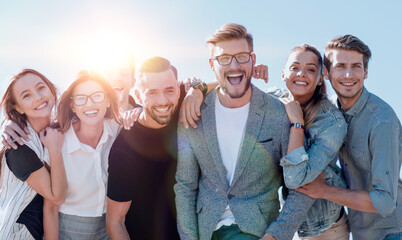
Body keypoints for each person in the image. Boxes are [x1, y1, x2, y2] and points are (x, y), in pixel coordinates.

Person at [174, 23, 313, 240]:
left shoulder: (278, 113)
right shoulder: (193, 112)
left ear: (253, 60)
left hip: (256, 232)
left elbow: (301, 189)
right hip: (205, 231)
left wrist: (276, 235)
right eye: (224, 58)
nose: (234, 65)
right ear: (212, 64)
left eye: (241, 56)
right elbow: (185, 186)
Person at [296, 35, 402, 240]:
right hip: (358, 232)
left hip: (392, 232)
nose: (348, 74)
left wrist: (324, 191)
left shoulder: (382, 120)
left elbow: (385, 202)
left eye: (356, 66)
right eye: (340, 66)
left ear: (366, 71)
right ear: (326, 72)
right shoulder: (329, 112)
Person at [106, 56, 194, 240]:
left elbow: (223, 82)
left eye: (169, 90)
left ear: (178, 90)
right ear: (138, 96)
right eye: (152, 93)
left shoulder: (182, 109)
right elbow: (116, 221)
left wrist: (198, 90)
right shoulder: (124, 149)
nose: (162, 101)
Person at [274, 44, 349, 239]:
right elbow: (236, 91)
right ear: (283, 74)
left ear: (319, 78)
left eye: (311, 69)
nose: (301, 74)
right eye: (294, 67)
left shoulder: (332, 122)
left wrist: (297, 124)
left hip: (328, 227)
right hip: (296, 225)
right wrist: (198, 88)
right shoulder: (275, 102)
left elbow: (296, 179)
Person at [44, 70, 121, 239]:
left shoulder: (119, 130)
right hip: (67, 228)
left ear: (108, 100)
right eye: (81, 98)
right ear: (72, 106)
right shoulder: (58, 141)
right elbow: (50, 208)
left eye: (97, 96)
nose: (90, 104)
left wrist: (193, 90)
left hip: (111, 226)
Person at [0, 69, 66, 239]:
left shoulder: (52, 132)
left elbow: (51, 206)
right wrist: (55, 149)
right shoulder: (17, 146)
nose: (38, 96)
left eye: (41, 88)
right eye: (26, 95)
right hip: (14, 233)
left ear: (51, 89)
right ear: (18, 108)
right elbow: (56, 197)